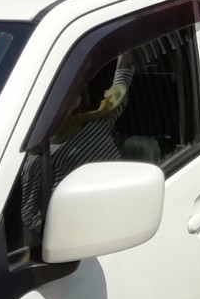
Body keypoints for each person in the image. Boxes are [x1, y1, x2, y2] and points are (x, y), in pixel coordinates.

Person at [21, 53, 135, 243]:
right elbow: (29, 215)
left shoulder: (95, 120)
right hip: (87, 238)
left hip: (124, 215)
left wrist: (125, 52)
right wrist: (69, 231)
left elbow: (120, 86)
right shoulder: (38, 158)